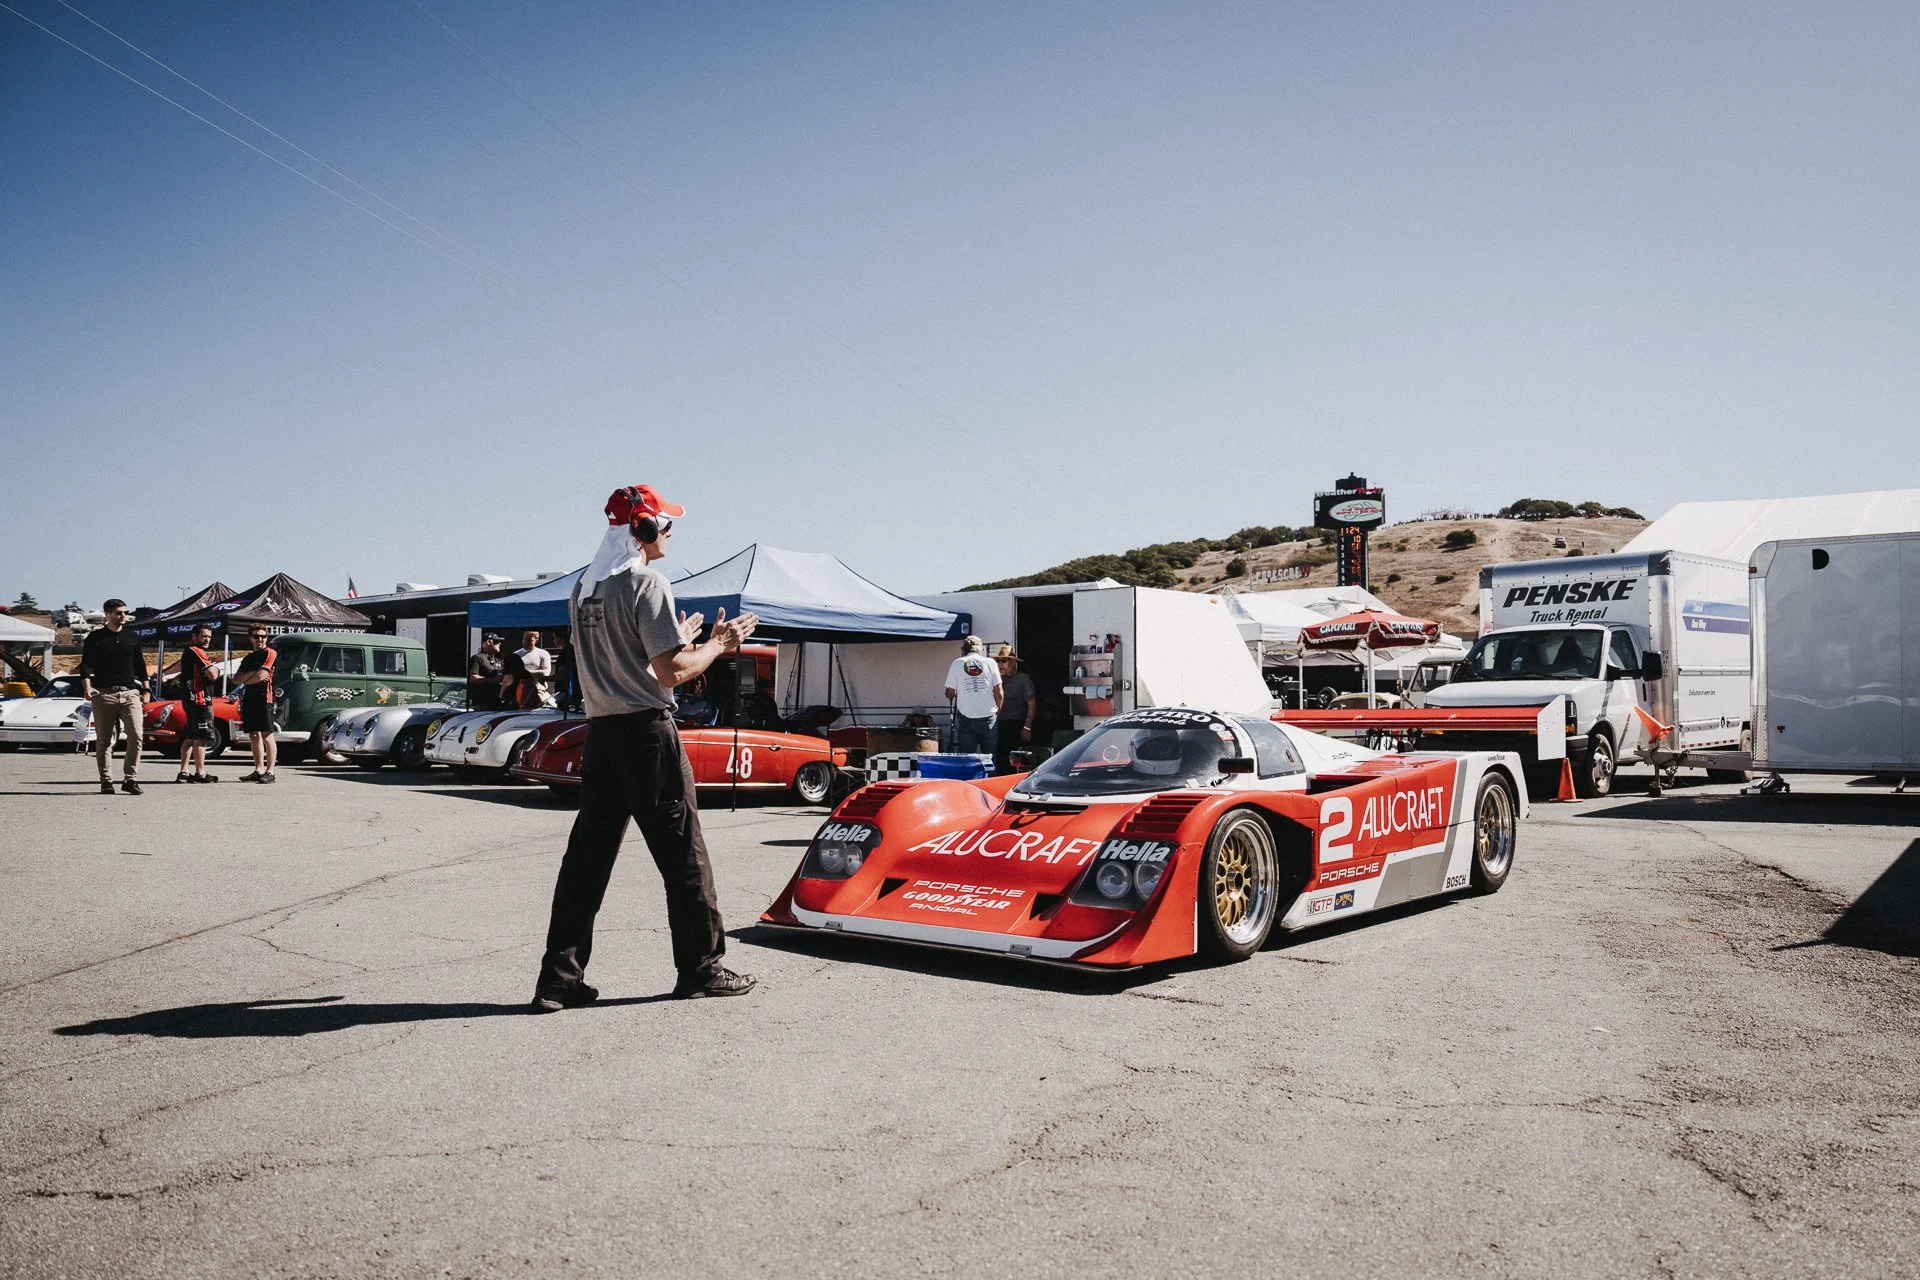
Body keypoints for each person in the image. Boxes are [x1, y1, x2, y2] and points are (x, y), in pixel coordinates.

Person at [532, 484, 760, 1011]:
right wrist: (718, 646)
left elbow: (627, 656)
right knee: (684, 856)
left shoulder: (583, 589)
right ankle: (701, 969)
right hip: (647, 735)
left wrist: (676, 638)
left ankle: (559, 978)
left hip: (603, 735)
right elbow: (672, 672)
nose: (671, 533)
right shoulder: (648, 582)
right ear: (644, 529)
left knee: (585, 862)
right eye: (666, 525)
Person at [77, 598, 146, 795]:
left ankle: (130, 779)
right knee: (104, 740)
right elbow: (86, 665)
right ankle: (106, 780)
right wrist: (87, 687)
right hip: (103, 693)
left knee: (136, 735)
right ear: (107, 615)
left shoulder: (132, 637)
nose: (123, 616)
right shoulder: (96, 638)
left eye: (125, 612)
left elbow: (140, 665)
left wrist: (146, 689)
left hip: (129, 692)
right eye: (118, 613)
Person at [175, 623, 221, 784]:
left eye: (209, 636)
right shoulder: (197, 651)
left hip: (189, 699)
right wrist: (216, 668)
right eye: (203, 636)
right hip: (199, 699)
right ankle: (200, 773)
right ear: (194, 637)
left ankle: (184, 772)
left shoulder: (188, 652)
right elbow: (213, 675)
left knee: (191, 735)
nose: (207, 639)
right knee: (202, 736)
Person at [943, 635, 1001, 756]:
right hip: (988, 716)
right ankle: (991, 774)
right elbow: (999, 691)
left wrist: (952, 693)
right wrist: (997, 710)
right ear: (980, 649)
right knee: (990, 757)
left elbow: (950, 693)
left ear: (964, 649)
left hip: (966, 717)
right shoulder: (990, 662)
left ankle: (969, 775)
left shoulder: (957, 663)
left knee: (967, 757)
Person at [234, 625, 278, 783]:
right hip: (249, 698)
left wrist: (249, 676)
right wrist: (252, 674)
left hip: (264, 698)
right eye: (256, 636)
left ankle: (270, 771)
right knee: (253, 734)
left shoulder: (270, 653)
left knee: (267, 734)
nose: (260, 639)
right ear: (250, 638)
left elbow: (261, 676)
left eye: (263, 636)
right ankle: (258, 769)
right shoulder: (248, 658)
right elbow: (235, 679)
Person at [991, 644, 1037, 774]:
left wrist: (1027, 727)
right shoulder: (996, 680)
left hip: (1015, 724)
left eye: (1003, 661)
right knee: (998, 758)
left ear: (1012, 662)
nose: (1000, 664)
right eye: (998, 661)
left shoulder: (1022, 679)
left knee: (1014, 759)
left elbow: (1032, 704)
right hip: (996, 724)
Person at [518, 631, 555, 707]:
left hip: (538, 689)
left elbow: (545, 673)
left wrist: (525, 672)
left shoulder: (543, 653)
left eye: (529, 640)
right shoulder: (517, 654)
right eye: (524, 639)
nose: (526, 642)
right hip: (520, 689)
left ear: (536, 640)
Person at [468, 633, 504, 710]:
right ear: (489, 642)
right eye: (496, 641)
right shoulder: (478, 658)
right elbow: (473, 678)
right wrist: (491, 680)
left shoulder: (497, 660)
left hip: (497, 701)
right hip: (483, 703)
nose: (499, 643)